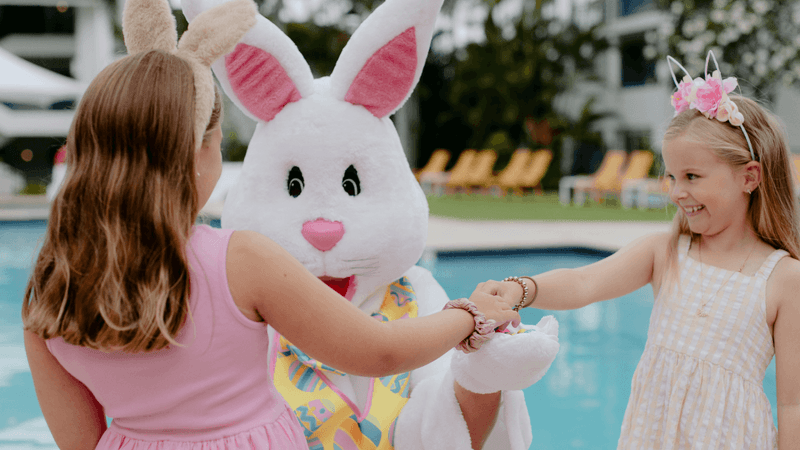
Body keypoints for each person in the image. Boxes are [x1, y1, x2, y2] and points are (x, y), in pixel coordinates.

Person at [20, 0, 521, 448]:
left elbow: (81, 441)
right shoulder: (239, 258)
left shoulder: (48, 286)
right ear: (199, 151)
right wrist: (470, 314)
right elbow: (381, 352)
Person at [491, 53, 800, 449]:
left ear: (749, 176)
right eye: (671, 176)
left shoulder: (784, 278)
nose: (676, 192)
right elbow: (584, 281)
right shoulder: (666, 252)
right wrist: (521, 289)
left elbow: (792, 405)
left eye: (692, 176)